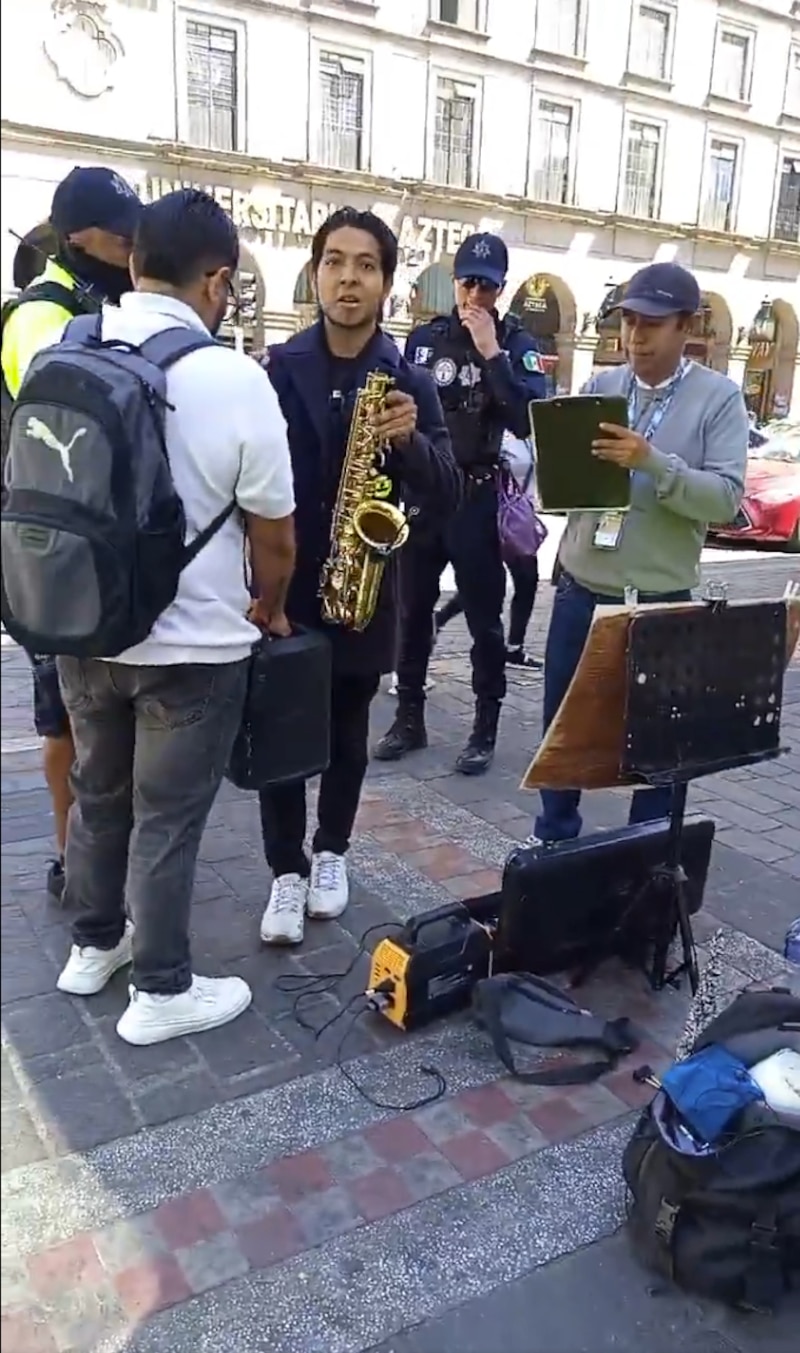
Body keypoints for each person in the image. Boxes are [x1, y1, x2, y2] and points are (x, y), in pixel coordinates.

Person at [54, 189, 296, 1044]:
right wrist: (268, 608)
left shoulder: (72, 346)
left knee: (97, 794)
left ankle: (93, 945)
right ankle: (159, 989)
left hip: (83, 627)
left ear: (131, 263)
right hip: (192, 648)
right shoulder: (235, 377)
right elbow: (275, 535)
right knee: (168, 818)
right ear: (219, 280)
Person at [258, 206, 459, 946]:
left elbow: (449, 494)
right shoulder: (278, 369)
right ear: (315, 274)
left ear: (386, 284)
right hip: (287, 582)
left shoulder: (408, 380)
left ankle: (331, 852)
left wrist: (408, 443)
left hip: (366, 588)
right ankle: (285, 868)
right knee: (281, 732)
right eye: (335, 262)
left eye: (365, 265)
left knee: (347, 734)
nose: (348, 278)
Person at [531, 261, 747, 845]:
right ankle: (554, 846)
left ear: (687, 326)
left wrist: (652, 462)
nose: (636, 337)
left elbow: (726, 500)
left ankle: (648, 862)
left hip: (660, 603)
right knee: (563, 736)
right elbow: (572, 489)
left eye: (653, 323)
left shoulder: (719, 399)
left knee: (660, 749)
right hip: (581, 592)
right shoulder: (603, 388)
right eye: (628, 321)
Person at [1, 167, 142, 902]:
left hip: (102, 545)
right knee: (64, 719)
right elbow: (67, 428)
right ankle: (69, 856)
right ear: (80, 236)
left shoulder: (104, 301)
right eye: (123, 237)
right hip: (54, 549)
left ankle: (101, 849)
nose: (131, 249)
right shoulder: (39, 315)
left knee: (105, 716)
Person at [374, 232, 547, 775]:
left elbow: (528, 420)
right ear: (454, 280)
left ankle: (484, 726)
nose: (475, 294)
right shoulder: (426, 338)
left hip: (476, 495)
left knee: (483, 621)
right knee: (411, 612)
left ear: (501, 289)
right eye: (467, 281)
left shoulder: (516, 343)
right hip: (425, 495)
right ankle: (409, 717)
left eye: (486, 285)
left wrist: (493, 352)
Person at [435, 431, 542, 669]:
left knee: (526, 580)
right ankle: (439, 619)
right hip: (492, 517)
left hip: (518, 517)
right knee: (483, 584)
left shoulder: (527, 433)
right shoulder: (495, 436)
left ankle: (514, 647)